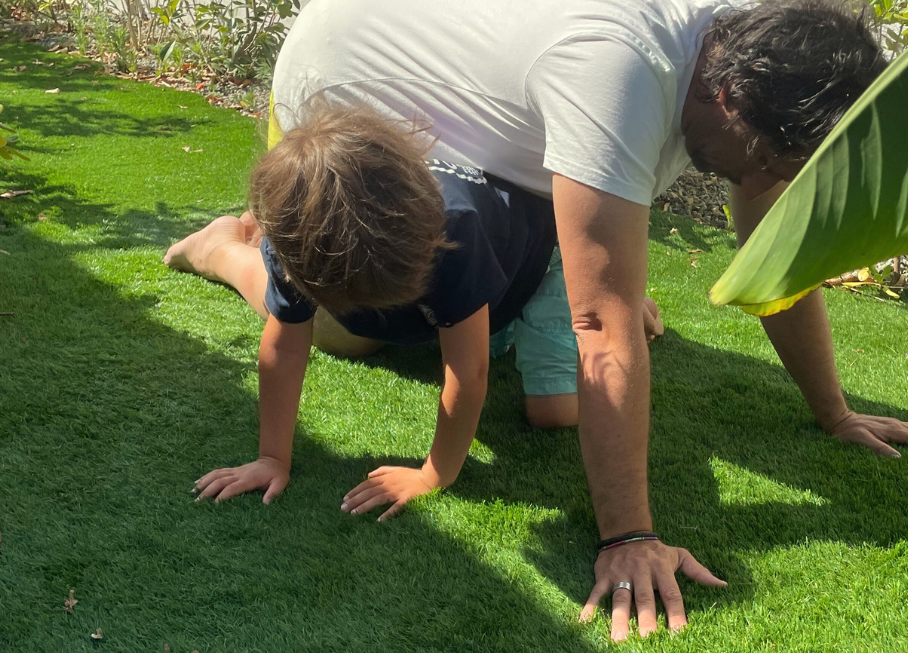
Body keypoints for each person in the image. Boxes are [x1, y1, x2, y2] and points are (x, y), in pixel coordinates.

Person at [257, 0, 908, 641]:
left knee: (513, 262)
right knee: (360, 320)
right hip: (343, 67)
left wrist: (835, 412)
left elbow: (772, 262)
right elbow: (599, 323)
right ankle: (243, 248)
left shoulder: (747, 65)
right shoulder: (619, 73)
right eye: (762, 165)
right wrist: (627, 538)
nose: (758, 189)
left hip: (455, 70)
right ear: (727, 98)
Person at [165, 102, 663, 516]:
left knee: (554, 411)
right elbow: (283, 349)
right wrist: (272, 457)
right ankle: (220, 247)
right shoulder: (297, 245)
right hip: (453, 283)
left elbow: (468, 373)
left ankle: (611, 294)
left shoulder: (456, 233)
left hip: (538, 262)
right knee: (356, 338)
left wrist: (433, 472)